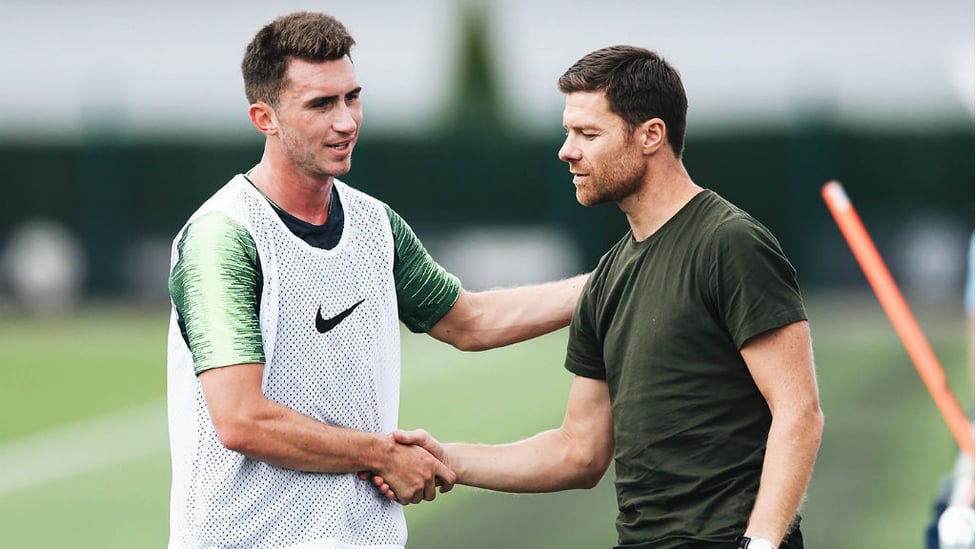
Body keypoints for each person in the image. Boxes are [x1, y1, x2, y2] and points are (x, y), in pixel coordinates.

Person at [165, 11, 586, 549]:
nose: (346, 121)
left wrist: (616, 280)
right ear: (263, 117)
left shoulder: (374, 225)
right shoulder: (223, 237)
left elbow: (471, 321)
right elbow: (242, 419)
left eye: (351, 97)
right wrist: (383, 454)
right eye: (320, 104)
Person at [376, 45, 825, 549]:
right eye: (569, 132)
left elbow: (798, 413)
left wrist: (760, 543)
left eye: (588, 134)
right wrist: (446, 460)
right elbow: (578, 451)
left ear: (651, 135)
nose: (567, 150)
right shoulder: (608, 276)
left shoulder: (730, 243)